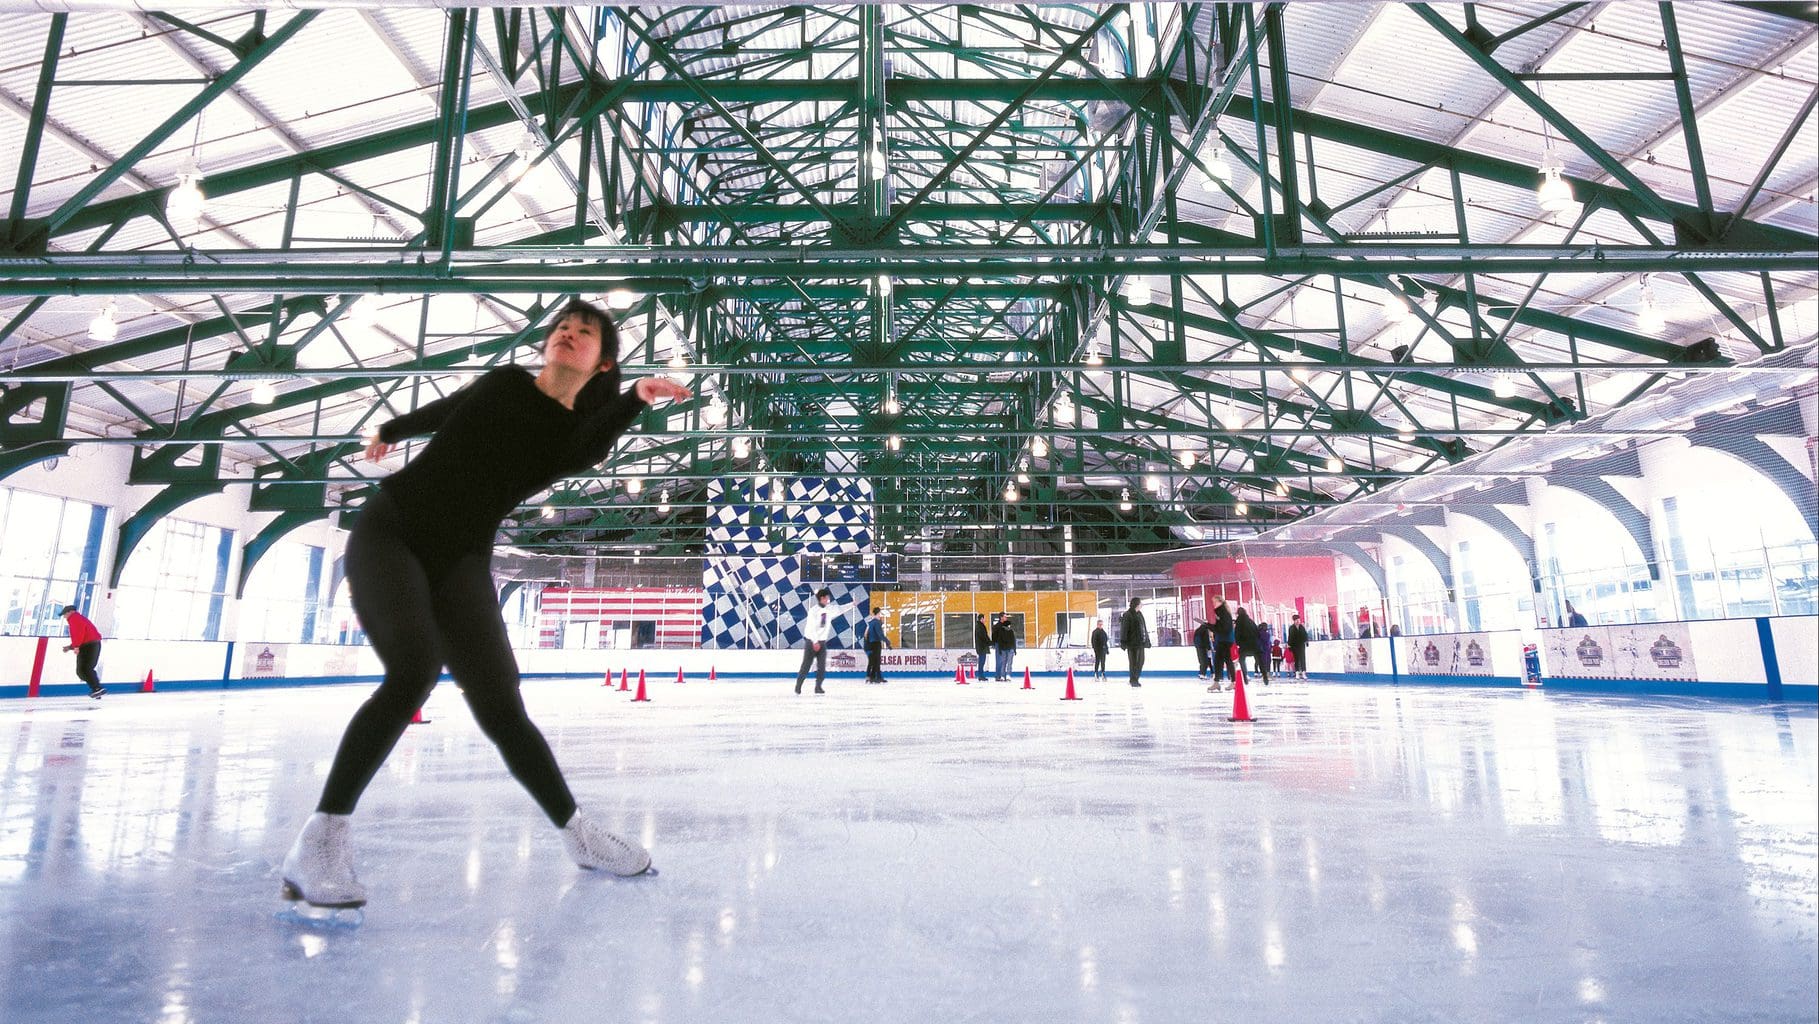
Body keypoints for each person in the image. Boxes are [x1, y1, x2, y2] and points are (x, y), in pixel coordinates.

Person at [279, 299, 690, 916]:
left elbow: (593, 439)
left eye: (584, 333)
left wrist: (634, 397)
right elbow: (452, 408)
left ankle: (580, 836)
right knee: (413, 672)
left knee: (501, 699)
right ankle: (320, 840)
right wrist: (392, 429)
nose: (568, 335)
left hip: (461, 558)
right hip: (392, 530)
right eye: (562, 328)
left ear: (600, 361)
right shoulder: (502, 382)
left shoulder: (574, 437)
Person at [59, 605, 106, 699]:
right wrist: (70, 647)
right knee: (83, 670)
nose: (64, 617)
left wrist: (76, 646)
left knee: (84, 670)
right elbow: (82, 635)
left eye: (64, 614)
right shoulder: (78, 618)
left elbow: (79, 633)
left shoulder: (74, 619)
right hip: (91, 645)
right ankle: (96, 688)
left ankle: (97, 688)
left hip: (89, 646)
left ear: (70, 612)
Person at [796, 588, 837, 694]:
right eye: (827, 597)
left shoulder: (829, 609)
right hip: (811, 642)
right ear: (822, 598)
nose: (828, 599)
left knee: (822, 666)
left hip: (822, 642)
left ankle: (818, 687)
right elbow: (811, 628)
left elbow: (840, 609)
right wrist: (815, 641)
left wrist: (852, 604)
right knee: (806, 665)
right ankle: (798, 685)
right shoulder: (813, 611)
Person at [1119, 597, 1149, 687]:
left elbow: (1144, 628)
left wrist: (1147, 639)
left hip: (1140, 643)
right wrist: (1123, 642)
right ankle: (1133, 680)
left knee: (1141, 661)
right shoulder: (1127, 615)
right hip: (1132, 643)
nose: (1142, 605)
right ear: (1137, 604)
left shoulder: (1140, 614)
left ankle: (1135, 678)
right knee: (1133, 662)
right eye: (1141, 603)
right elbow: (1124, 629)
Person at [1235, 606, 1266, 685]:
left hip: (1245, 646)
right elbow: (1257, 632)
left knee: (1242, 660)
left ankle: (1245, 676)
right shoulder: (1251, 621)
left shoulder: (1238, 622)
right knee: (1259, 660)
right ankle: (1264, 675)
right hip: (1255, 645)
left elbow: (1237, 634)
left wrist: (1239, 643)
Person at [862, 607, 891, 683]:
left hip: (871, 644)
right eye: (880, 613)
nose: (880, 615)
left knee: (875, 661)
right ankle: (874, 677)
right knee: (876, 661)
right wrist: (887, 642)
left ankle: (875, 677)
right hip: (876, 643)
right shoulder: (876, 622)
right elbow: (880, 634)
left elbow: (867, 635)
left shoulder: (871, 623)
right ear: (878, 613)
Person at [1211, 597, 1235, 686]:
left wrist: (1211, 627)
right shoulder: (1221, 612)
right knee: (1219, 660)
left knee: (1223, 660)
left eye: (1215, 602)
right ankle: (1218, 682)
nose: (1213, 603)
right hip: (1224, 639)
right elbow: (1220, 627)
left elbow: (1224, 628)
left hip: (1225, 640)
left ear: (1220, 602)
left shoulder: (1223, 613)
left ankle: (1232, 681)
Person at [992, 614, 1017, 681]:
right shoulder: (997, 626)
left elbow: (1012, 638)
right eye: (1005, 616)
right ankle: (998, 676)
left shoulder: (1008, 627)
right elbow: (994, 636)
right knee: (1000, 661)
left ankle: (1003, 675)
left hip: (1007, 646)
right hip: (1000, 645)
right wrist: (995, 644)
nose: (1006, 618)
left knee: (1005, 661)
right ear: (1001, 617)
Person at [1286, 613, 1310, 681]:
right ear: (1294, 621)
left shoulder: (1302, 627)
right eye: (1296, 620)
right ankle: (1297, 673)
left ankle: (1304, 673)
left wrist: (1306, 641)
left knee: (1303, 659)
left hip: (1301, 645)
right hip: (1294, 646)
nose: (1298, 621)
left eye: (1298, 620)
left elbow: (1305, 634)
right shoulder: (1291, 628)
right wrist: (1289, 645)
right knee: (1296, 659)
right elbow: (1290, 637)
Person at [1192, 618, 1214, 684]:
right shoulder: (1205, 630)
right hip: (1203, 648)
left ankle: (1201, 673)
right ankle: (1202, 674)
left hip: (1198, 648)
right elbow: (1206, 640)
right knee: (1205, 661)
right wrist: (1209, 648)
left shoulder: (1198, 630)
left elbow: (1195, 640)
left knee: (1202, 661)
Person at [973, 613, 993, 680]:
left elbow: (984, 636)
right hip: (981, 647)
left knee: (982, 661)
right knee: (982, 661)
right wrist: (990, 643)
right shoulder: (980, 626)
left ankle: (981, 675)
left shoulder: (980, 626)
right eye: (984, 618)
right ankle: (980, 675)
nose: (985, 620)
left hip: (981, 646)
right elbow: (983, 637)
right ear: (981, 619)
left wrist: (989, 642)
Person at [1257, 619, 1275, 685]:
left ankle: (1264, 674)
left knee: (1263, 663)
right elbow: (1267, 642)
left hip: (1261, 650)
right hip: (1265, 650)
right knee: (1267, 662)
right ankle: (1267, 674)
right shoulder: (1266, 634)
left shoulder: (1258, 633)